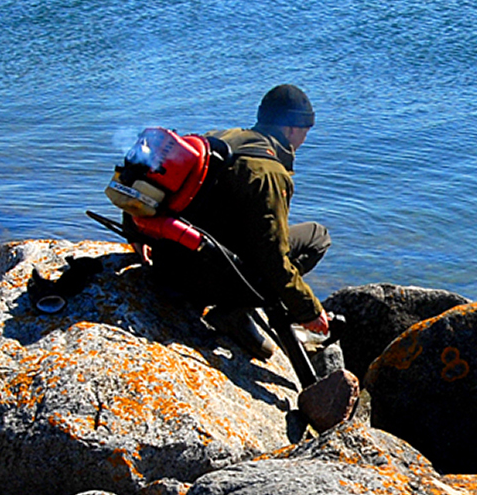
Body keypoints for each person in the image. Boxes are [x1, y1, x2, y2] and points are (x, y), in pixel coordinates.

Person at [134, 84, 331, 350]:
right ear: (292, 129)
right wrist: (308, 309)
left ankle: (235, 306)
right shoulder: (269, 172)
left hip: (168, 262)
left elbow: (147, 179)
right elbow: (272, 257)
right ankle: (236, 310)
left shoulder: (217, 137)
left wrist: (138, 233)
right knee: (317, 236)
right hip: (202, 280)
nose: (305, 139)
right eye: (306, 131)